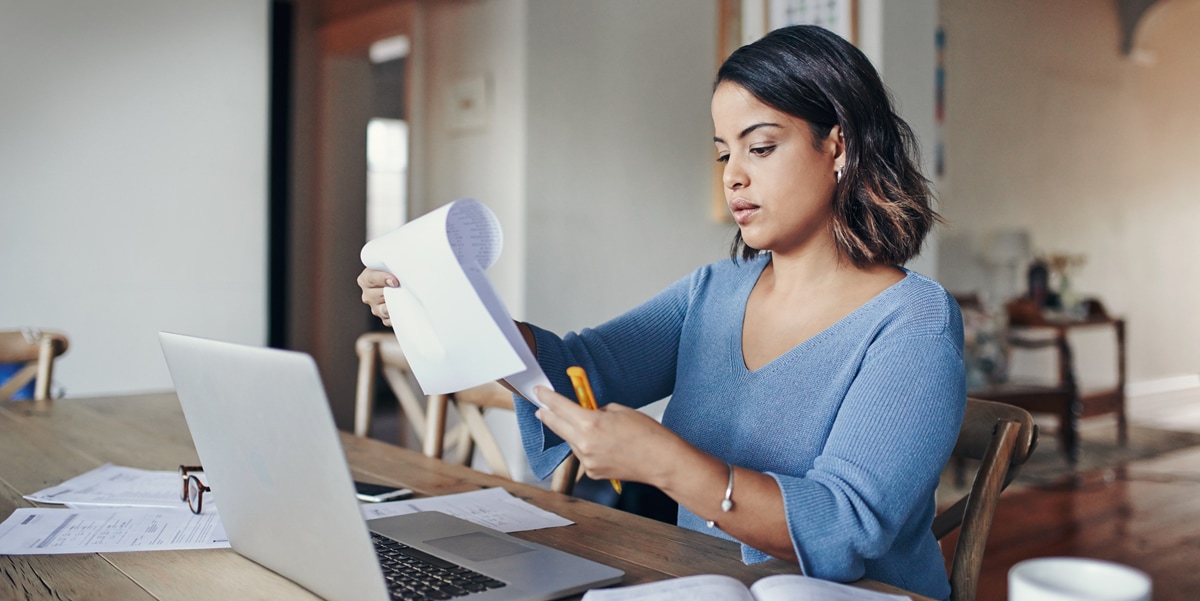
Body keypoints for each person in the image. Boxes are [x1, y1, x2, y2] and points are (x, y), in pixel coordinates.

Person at [359, 25, 964, 601]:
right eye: (724, 154)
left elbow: (847, 525)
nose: (735, 176)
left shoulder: (914, 322)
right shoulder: (713, 292)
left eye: (760, 146)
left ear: (839, 144)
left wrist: (668, 464)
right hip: (702, 582)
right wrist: (450, 308)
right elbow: (582, 367)